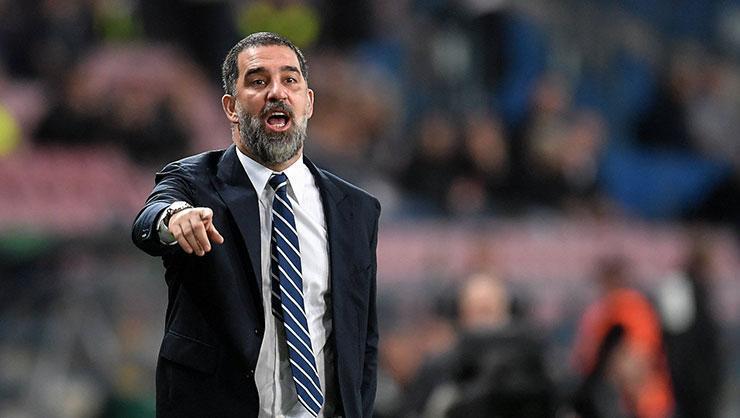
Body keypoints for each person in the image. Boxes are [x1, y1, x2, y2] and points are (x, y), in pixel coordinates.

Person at [131, 32, 381, 418]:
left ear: (308, 102)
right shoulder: (195, 181)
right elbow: (149, 220)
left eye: (290, 80)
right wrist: (175, 218)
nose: (276, 92)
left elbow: (362, 339)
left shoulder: (356, 210)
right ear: (231, 107)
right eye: (258, 81)